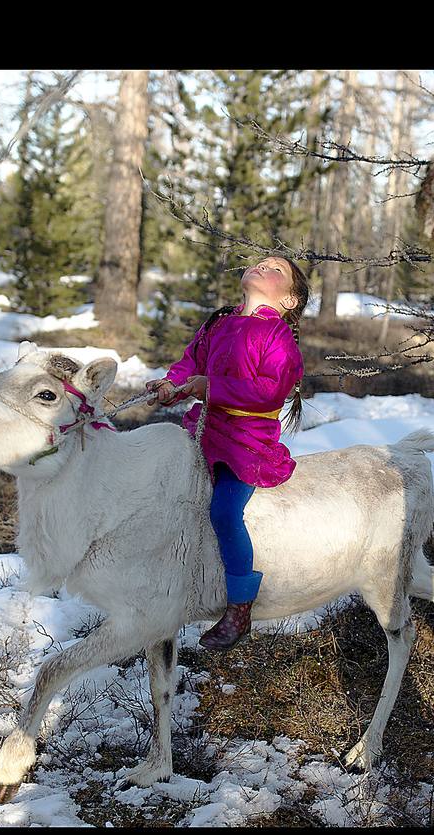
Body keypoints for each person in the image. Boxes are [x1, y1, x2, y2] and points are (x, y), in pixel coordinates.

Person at [145, 257, 308, 650]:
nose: (261, 266)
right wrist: (172, 383)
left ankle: (239, 605)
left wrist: (210, 386)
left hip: (246, 443)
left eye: (275, 270)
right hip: (203, 431)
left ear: (289, 299)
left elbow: (269, 392)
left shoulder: (278, 338)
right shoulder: (218, 322)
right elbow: (190, 362)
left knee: (224, 512)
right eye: (261, 262)